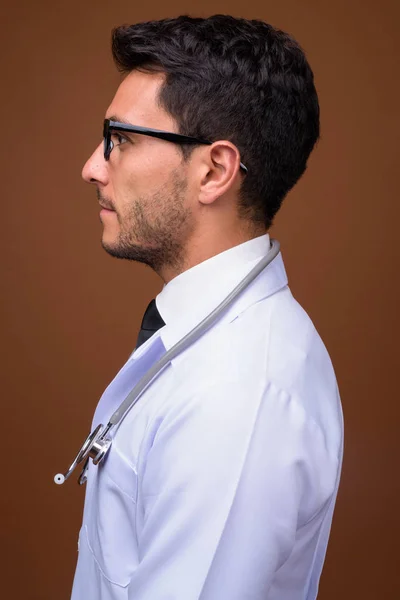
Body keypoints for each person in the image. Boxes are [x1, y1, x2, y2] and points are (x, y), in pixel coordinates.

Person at [72, 14, 344, 600]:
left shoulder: (238, 393)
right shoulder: (213, 346)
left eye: (120, 139)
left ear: (214, 170)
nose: (92, 167)